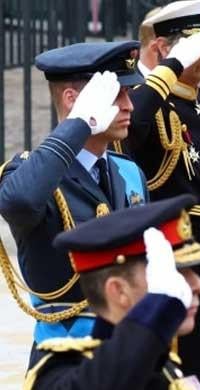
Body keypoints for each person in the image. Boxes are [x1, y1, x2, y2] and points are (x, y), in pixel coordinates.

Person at [0, 42, 148, 367]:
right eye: (116, 96)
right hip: (68, 358)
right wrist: (76, 126)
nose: (129, 106)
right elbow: (20, 201)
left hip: (128, 351)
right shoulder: (31, 175)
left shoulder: (129, 173)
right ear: (74, 101)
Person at [127, 1, 200, 388]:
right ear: (163, 49)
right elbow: (130, 133)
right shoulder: (148, 101)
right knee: (186, 373)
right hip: (186, 256)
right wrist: (170, 69)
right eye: (198, 47)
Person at [23, 194, 200, 389]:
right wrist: (157, 312)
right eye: (173, 274)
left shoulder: (163, 367)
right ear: (119, 291)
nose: (199, 284)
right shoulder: (60, 375)